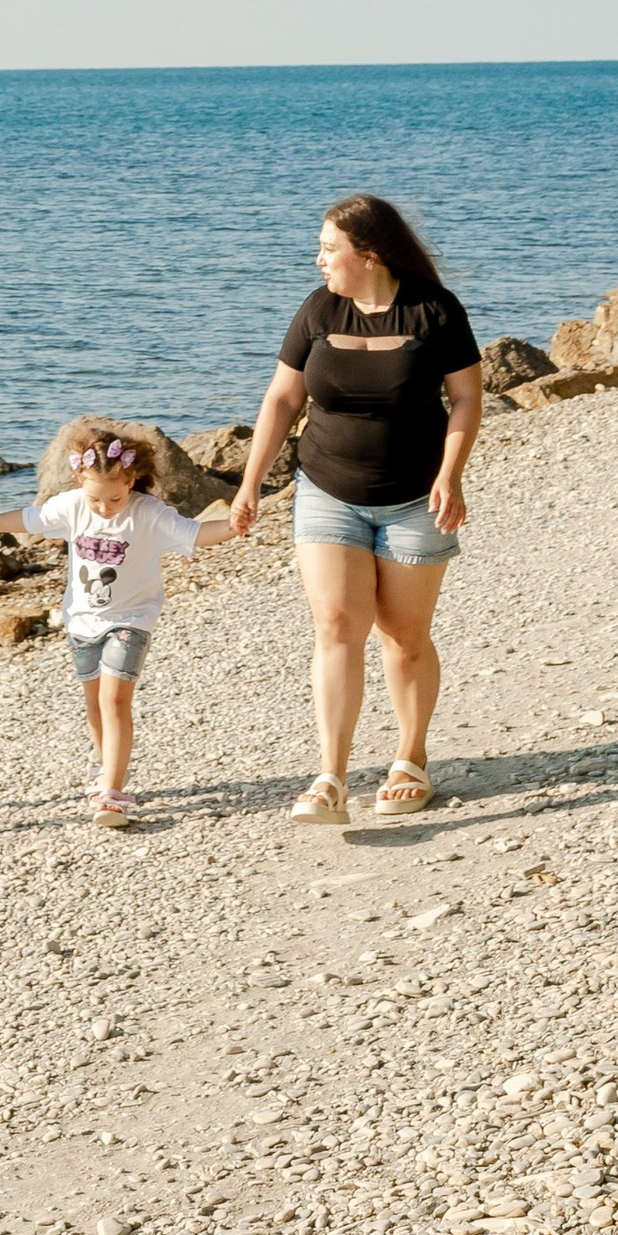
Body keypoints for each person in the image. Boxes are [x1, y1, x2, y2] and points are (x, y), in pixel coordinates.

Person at [229, 192, 483, 824]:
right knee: (338, 624)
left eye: (328, 249)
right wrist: (249, 483)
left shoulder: (434, 311)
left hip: (416, 496)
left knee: (403, 633)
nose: (318, 260)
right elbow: (282, 401)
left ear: (367, 255)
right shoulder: (318, 309)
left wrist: (451, 476)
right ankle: (331, 777)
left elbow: (468, 400)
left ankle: (410, 758)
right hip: (326, 489)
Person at [21, 419, 238, 827]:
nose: (104, 508)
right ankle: (106, 768)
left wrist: (234, 526)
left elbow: (193, 533)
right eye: (95, 500)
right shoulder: (70, 506)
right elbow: (30, 520)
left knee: (114, 700)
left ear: (132, 480)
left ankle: (112, 793)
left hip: (132, 619)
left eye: (115, 499)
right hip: (81, 621)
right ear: (77, 481)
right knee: (93, 703)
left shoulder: (148, 514)